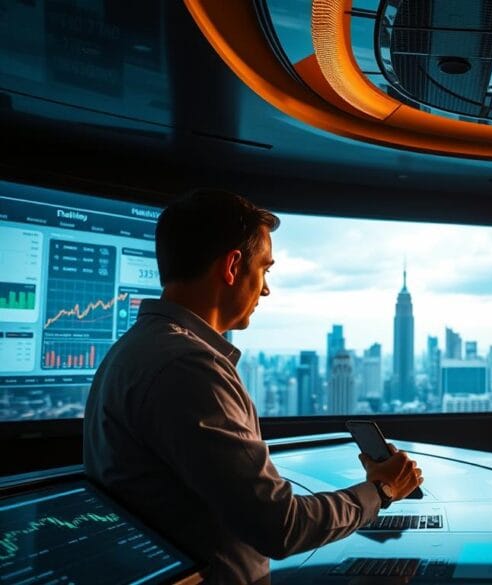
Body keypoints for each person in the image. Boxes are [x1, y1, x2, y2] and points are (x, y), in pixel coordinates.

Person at [83, 190, 423, 583]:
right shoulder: (189, 366)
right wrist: (381, 490)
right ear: (232, 266)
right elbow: (280, 526)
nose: (265, 289)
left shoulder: (136, 348)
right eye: (265, 269)